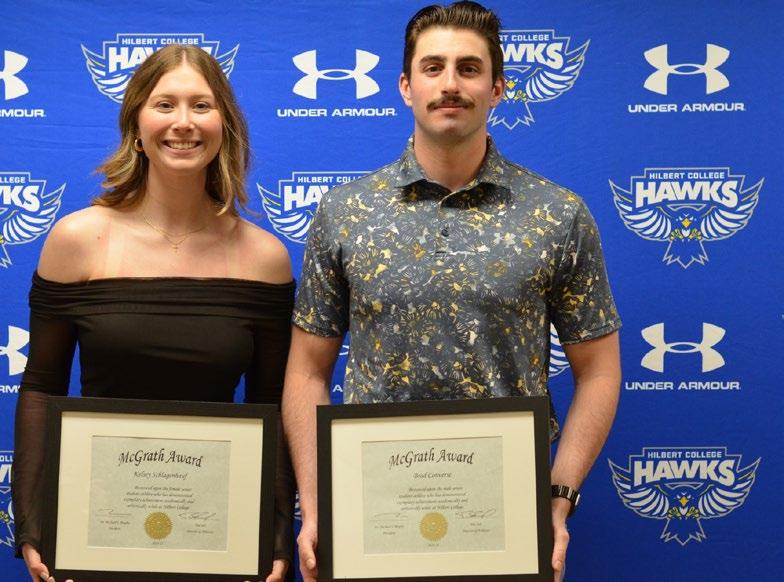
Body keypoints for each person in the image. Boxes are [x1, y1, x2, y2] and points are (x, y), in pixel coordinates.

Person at [282, 2, 622, 581]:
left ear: (498, 89)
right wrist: (317, 506)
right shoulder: (345, 213)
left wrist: (558, 499)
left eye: (469, 68)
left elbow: (599, 372)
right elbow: (307, 372)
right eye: (433, 67)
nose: (450, 84)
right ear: (405, 86)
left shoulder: (558, 214)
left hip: (506, 518)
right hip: (370, 512)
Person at [12, 45, 294, 582]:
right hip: (94, 531)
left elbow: (273, 403)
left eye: (201, 106)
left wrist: (276, 537)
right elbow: (42, 387)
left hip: (219, 536)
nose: (183, 123)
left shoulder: (265, 259)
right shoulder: (76, 241)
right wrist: (35, 527)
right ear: (136, 126)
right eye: (165, 105)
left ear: (224, 126)